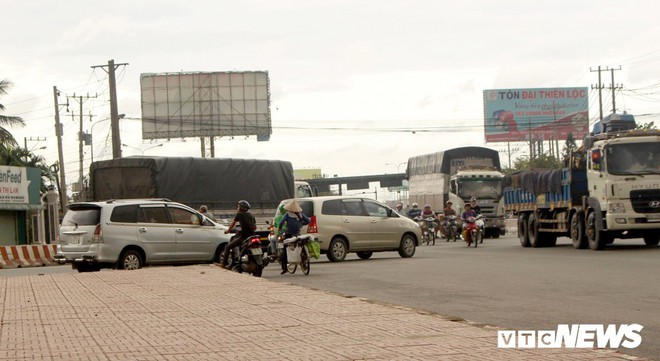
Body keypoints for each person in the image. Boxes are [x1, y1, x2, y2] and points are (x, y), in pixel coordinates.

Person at [220, 200, 256, 269]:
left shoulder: (239, 214)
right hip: (253, 236)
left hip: (244, 237)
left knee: (227, 247)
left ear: (241, 208)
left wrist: (228, 231)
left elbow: (233, 224)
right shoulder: (251, 215)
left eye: (239, 206)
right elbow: (254, 227)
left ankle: (223, 265)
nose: (238, 208)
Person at [278, 200, 310, 274]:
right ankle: (304, 262)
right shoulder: (300, 215)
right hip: (297, 234)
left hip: (288, 234)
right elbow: (308, 221)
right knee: (300, 246)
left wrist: (280, 229)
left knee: (285, 250)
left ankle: (284, 268)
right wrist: (302, 223)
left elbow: (281, 223)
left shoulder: (287, 215)